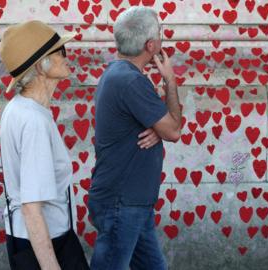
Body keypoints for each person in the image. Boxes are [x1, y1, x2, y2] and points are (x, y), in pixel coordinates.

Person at [88, 6, 182, 270]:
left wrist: (156, 129)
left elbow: (159, 127)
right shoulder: (130, 82)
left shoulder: (119, 75)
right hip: (122, 203)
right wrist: (170, 81)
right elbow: (174, 130)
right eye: (161, 35)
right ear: (151, 45)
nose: (163, 40)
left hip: (131, 202)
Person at [0, 20, 87, 270]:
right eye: (61, 52)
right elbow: (31, 208)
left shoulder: (19, 108)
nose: (68, 57)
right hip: (45, 242)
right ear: (41, 66)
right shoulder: (33, 120)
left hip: (32, 238)